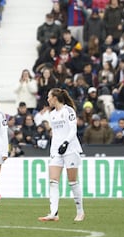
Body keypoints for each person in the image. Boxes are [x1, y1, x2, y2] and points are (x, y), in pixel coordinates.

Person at [38, 88, 84, 222]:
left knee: (73, 181)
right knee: (53, 181)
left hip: (70, 149)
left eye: (49, 97)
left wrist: (65, 143)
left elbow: (73, 129)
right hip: (56, 151)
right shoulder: (52, 114)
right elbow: (56, 134)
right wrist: (54, 149)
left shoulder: (68, 111)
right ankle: (53, 213)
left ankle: (80, 211)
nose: (47, 100)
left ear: (55, 98)